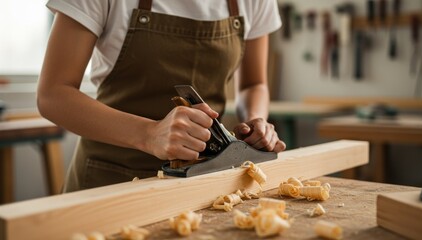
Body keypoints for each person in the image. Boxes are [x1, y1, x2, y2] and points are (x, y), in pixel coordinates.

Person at [37, 0, 286, 192]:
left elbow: (253, 84)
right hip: (109, 181)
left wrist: (255, 122)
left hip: (202, 183)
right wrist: (149, 134)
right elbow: (53, 95)